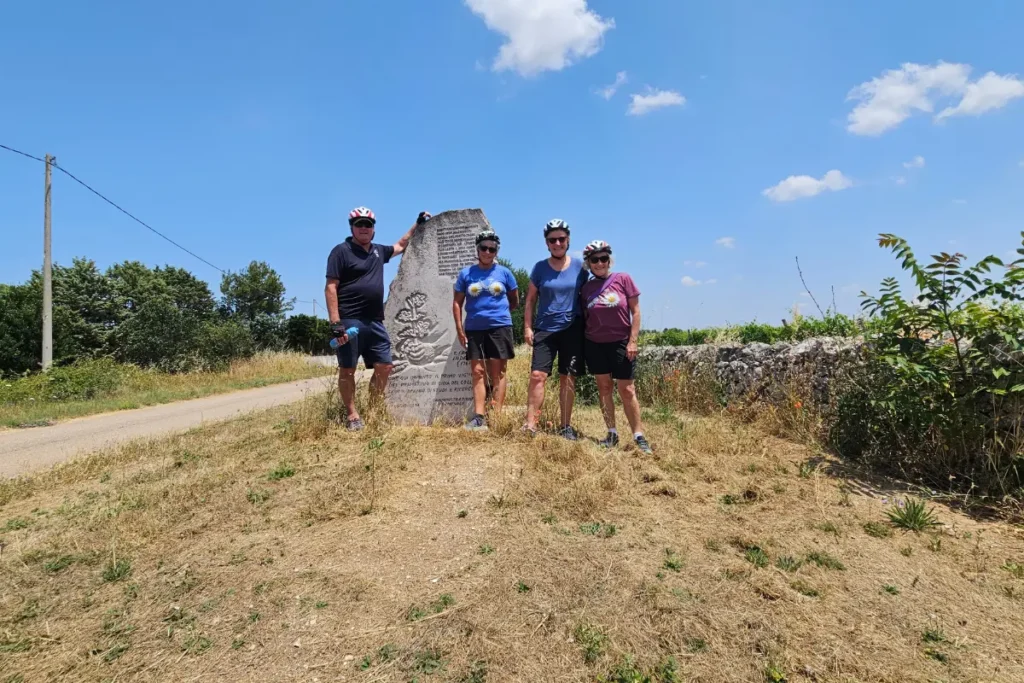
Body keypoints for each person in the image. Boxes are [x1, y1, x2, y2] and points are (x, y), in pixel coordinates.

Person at [325, 206, 430, 431]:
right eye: (359, 224)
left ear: (373, 229)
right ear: (351, 227)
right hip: (350, 319)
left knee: (385, 366)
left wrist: (418, 224)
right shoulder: (340, 251)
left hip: (374, 320)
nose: (364, 228)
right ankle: (352, 414)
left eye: (368, 224)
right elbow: (331, 287)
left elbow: (401, 245)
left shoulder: (377, 251)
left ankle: (373, 408)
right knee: (348, 369)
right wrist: (336, 323)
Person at [580, 240, 652, 453]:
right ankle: (612, 433)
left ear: (609, 260)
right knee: (604, 388)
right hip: (595, 343)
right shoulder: (586, 288)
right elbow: (585, 316)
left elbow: (636, 311)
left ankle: (638, 435)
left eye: (604, 258)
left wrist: (633, 341)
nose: (600, 263)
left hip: (621, 342)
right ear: (589, 263)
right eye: (595, 260)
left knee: (627, 389)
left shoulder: (623, 279)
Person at [522, 219, 589, 439]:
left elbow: (593, 289)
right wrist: (528, 327)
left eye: (561, 238)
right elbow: (530, 300)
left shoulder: (581, 267)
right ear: (547, 243)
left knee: (567, 377)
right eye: (553, 240)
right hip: (545, 329)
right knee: (537, 375)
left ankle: (565, 425)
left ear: (568, 240)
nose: (557, 243)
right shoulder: (539, 268)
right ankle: (531, 424)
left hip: (572, 328)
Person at [452, 230, 520, 430]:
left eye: (492, 249)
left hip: (500, 327)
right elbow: (457, 303)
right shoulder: (466, 274)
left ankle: (497, 416)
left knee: (498, 372)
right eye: (484, 248)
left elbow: (514, 299)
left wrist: (499, 313)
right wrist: (459, 328)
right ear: (478, 249)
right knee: (478, 372)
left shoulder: (505, 273)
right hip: (474, 328)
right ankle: (479, 416)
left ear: (496, 251)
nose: (488, 252)